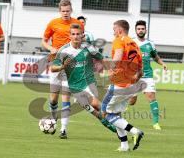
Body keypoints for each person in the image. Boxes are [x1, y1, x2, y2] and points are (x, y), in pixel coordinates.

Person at [50, 23, 116, 133]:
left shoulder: (88, 48)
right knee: (67, 100)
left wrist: (110, 73)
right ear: (70, 36)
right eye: (73, 34)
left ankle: (117, 123)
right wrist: (63, 66)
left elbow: (101, 59)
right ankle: (63, 129)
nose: (76, 36)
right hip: (71, 82)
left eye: (78, 34)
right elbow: (53, 68)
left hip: (87, 81)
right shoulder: (63, 51)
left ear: (82, 35)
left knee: (96, 105)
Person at [41, 0, 84, 139]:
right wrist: (51, 48)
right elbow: (44, 40)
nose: (65, 13)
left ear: (71, 10)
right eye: (63, 11)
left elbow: (81, 41)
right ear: (59, 11)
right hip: (55, 63)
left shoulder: (77, 24)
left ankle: (63, 130)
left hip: (71, 65)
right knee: (53, 99)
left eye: (68, 11)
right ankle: (54, 118)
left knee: (66, 95)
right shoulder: (53, 24)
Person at [101, 20, 147, 151]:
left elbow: (117, 58)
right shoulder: (135, 45)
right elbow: (140, 71)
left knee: (104, 113)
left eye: (114, 29)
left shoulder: (118, 40)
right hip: (130, 85)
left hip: (119, 84)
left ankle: (135, 131)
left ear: (120, 30)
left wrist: (105, 66)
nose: (113, 31)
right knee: (116, 115)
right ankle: (124, 145)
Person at [128, 20, 168, 130]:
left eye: (142, 29)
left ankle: (155, 123)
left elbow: (155, 57)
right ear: (135, 30)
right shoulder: (130, 42)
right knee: (132, 101)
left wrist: (162, 64)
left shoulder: (150, 43)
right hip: (134, 76)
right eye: (138, 29)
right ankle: (125, 103)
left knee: (151, 97)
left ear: (145, 30)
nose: (140, 30)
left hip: (147, 76)